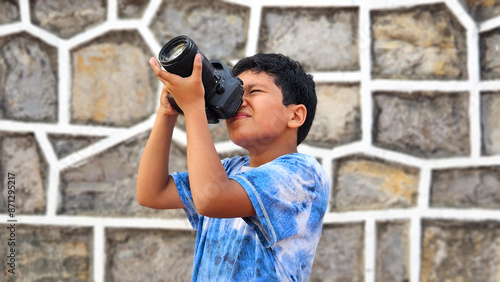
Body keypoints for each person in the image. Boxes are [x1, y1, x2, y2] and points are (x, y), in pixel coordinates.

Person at [136, 52, 329, 281]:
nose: (239, 101)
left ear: (296, 115)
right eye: (235, 91)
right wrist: (167, 111)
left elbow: (212, 198)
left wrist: (193, 104)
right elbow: (152, 193)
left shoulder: (303, 174)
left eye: (254, 91)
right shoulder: (228, 172)